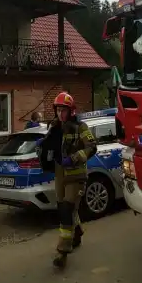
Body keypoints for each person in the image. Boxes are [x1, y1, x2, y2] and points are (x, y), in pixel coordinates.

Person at [37, 92, 97, 268]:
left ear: (71, 111)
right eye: (58, 110)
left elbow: (92, 147)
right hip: (60, 175)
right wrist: (43, 146)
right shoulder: (55, 127)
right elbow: (51, 146)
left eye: (64, 110)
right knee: (66, 209)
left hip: (76, 176)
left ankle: (62, 252)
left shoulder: (80, 127)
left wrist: (74, 158)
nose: (60, 114)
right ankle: (77, 232)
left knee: (66, 210)